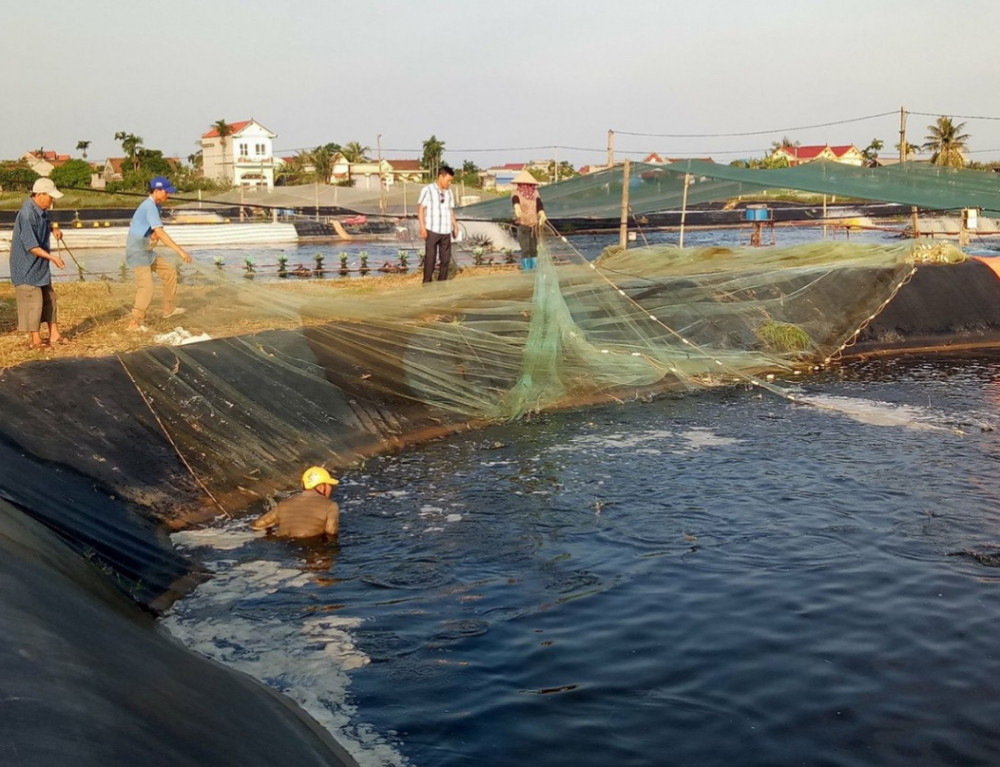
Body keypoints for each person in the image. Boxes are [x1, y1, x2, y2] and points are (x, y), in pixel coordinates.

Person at [126, 176, 192, 331]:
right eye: (166, 192)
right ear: (156, 191)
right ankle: (134, 323)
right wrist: (180, 251)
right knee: (146, 287)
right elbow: (161, 233)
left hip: (146, 249)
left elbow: (153, 231)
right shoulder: (149, 206)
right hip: (137, 251)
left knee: (169, 273)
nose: (168, 195)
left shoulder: (156, 206)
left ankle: (168, 309)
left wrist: (152, 236)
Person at [10, 178, 67, 349]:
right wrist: (53, 258)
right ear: (40, 194)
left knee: (50, 298)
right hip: (26, 267)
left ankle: (54, 334)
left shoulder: (41, 211)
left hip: (39, 266)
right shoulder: (27, 214)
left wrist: (53, 229)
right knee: (33, 302)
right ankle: (35, 339)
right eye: (50, 196)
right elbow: (31, 246)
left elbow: (44, 224)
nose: (52, 200)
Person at [251, 466, 340, 539]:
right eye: (329, 485)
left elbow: (258, 524)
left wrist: (269, 533)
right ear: (321, 487)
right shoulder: (331, 506)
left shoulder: (285, 503)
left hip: (285, 546)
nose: (331, 489)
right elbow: (331, 533)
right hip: (310, 547)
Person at [417, 165, 459, 283]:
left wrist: (455, 226)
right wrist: (422, 227)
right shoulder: (428, 190)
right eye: (448, 180)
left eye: (451, 181)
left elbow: (450, 210)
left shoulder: (449, 192)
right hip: (432, 229)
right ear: (441, 177)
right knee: (430, 258)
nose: (449, 183)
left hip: (446, 230)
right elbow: (421, 209)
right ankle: (427, 282)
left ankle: (442, 282)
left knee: (445, 260)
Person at [510, 170, 547, 271]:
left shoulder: (535, 193)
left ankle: (534, 269)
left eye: (529, 184)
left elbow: (539, 204)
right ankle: (527, 270)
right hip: (522, 225)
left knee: (533, 249)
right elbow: (515, 201)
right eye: (524, 184)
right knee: (525, 249)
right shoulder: (516, 193)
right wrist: (517, 208)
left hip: (533, 225)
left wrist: (542, 214)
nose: (526, 186)